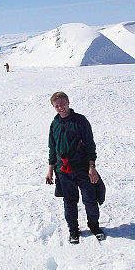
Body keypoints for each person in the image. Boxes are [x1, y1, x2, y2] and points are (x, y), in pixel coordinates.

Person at [46, 91, 105, 244]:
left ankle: (94, 226)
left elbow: (90, 145)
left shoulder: (80, 121)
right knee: (69, 201)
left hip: (82, 168)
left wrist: (92, 167)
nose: (60, 108)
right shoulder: (54, 124)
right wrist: (50, 170)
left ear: (68, 102)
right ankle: (73, 230)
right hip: (63, 172)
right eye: (57, 106)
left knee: (90, 199)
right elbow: (52, 149)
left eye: (62, 104)